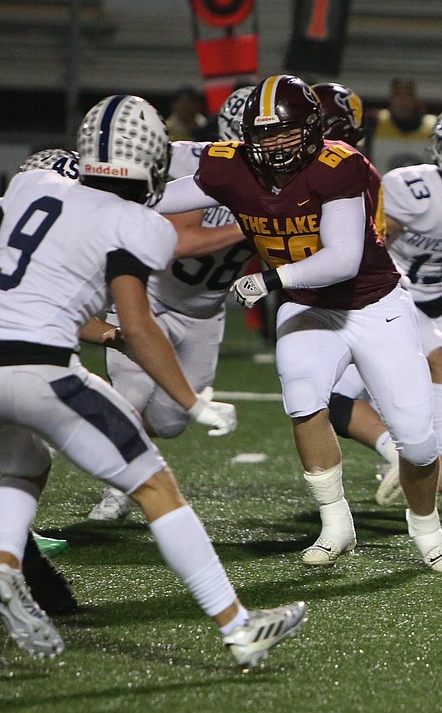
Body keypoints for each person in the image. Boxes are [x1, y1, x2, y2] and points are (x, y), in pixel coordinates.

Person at [0, 94, 305, 665]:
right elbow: (137, 325)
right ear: (153, 156)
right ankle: (239, 628)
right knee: (156, 486)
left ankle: (4, 565)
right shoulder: (141, 224)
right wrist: (191, 402)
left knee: (24, 464)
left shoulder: (29, 188)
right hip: (43, 368)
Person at [156, 74, 442, 573]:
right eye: (264, 133)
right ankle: (335, 523)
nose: (274, 143)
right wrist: (99, 193)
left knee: (417, 437)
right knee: (303, 400)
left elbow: (342, 258)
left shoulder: (337, 165)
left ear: (313, 128)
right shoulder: (233, 167)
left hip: (371, 303)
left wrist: (270, 278)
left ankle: (426, 526)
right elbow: (161, 197)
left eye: (286, 130)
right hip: (306, 304)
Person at [330, 103, 442, 521]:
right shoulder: (410, 190)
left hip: (433, 303)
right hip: (387, 298)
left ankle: (412, 455)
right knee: (350, 390)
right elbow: (370, 244)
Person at [88, 88, 255, 521]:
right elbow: (176, 243)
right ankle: (118, 487)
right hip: (152, 299)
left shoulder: (283, 178)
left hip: (205, 313)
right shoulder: (187, 161)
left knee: (170, 421)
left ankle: (131, 465)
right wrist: (251, 226)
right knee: (131, 394)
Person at [372, 77, 435, 173]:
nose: (403, 100)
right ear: (390, 98)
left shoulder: (432, 127)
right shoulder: (376, 123)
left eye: (407, 95)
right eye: (398, 95)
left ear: (415, 99)